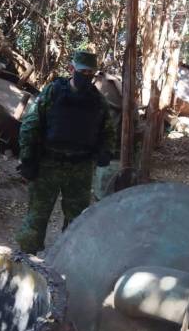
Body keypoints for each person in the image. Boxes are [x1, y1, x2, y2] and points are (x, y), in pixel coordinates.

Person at [16, 50, 116, 253]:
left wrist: (106, 152)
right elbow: (30, 125)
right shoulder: (53, 92)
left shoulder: (98, 101)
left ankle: (67, 263)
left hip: (81, 168)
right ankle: (26, 261)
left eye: (91, 73)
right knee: (37, 216)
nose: (86, 76)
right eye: (82, 71)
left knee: (77, 221)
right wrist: (27, 159)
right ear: (71, 69)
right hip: (48, 165)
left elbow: (108, 131)